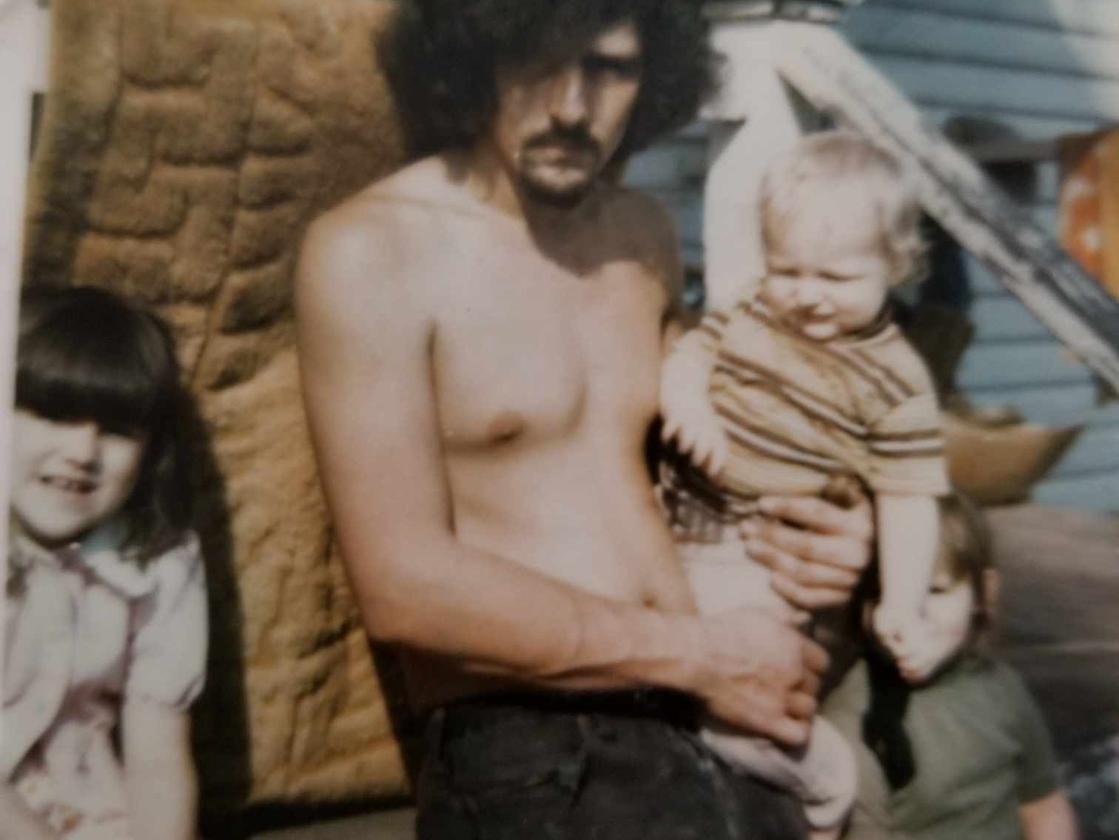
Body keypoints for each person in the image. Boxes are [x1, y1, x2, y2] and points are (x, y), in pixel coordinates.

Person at [295, 2, 874, 837]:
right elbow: (403, 588)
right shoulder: (371, 250)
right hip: (537, 736)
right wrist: (701, 657)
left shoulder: (642, 233)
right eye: (538, 59)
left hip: (712, 703)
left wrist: (835, 528)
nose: (571, 105)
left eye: (610, 67)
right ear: (473, 58)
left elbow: (705, 448)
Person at [658, 131, 950, 836]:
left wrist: (903, 602)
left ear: (896, 264)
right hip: (676, 522)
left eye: (836, 278)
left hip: (757, 556)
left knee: (717, 703)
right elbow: (691, 353)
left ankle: (820, 776)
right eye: (787, 270)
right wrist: (689, 405)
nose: (807, 296)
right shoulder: (754, 308)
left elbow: (909, 498)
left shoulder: (898, 382)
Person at [1, 286, 207, 840]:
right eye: (53, 414)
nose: (83, 453)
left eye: (116, 430)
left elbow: (158, 755)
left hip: (80, 810)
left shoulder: (157, 561)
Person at [823, 493, 1079, 840]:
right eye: (883, 595)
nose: (910, 616)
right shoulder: (855, 720)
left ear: (983, 595)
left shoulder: (1001, 687)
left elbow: (1042, 806)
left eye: (935, 590)